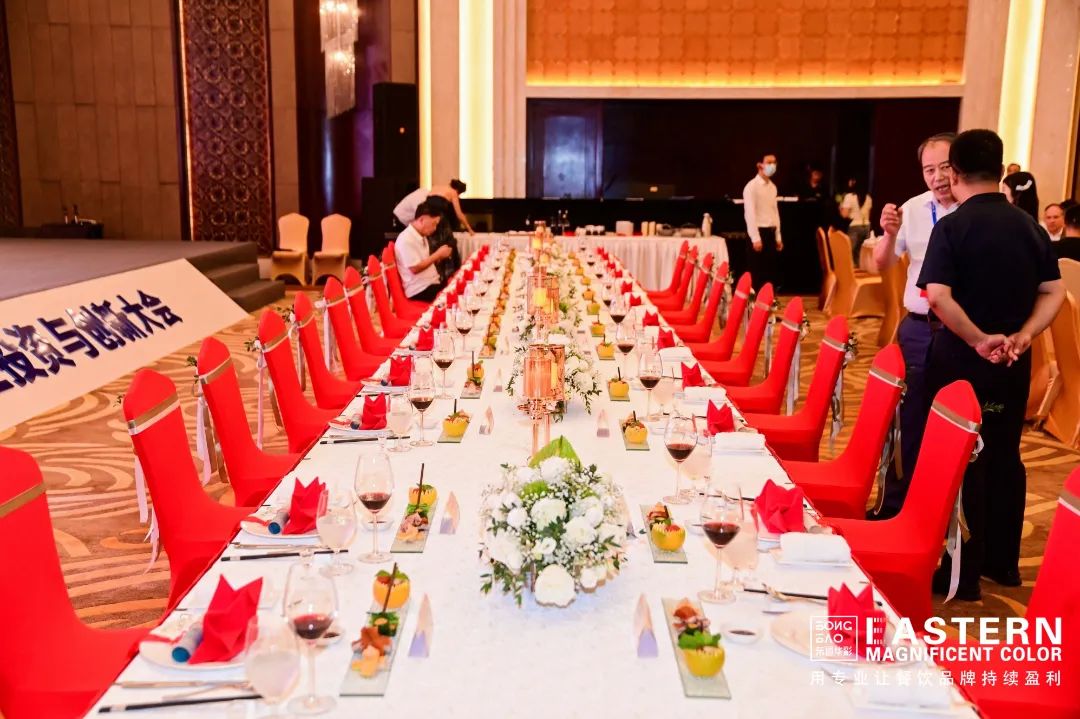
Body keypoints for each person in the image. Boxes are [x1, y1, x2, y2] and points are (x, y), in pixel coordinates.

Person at [918, 129, 1063, 601]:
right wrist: (1025, 334)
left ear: (955, 173)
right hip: (1012, 362)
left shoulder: (952, 226)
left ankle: (960, 572)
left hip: (961, 360)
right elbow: (1054, 290)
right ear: (1001, 171)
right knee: (1003, 453)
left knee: (958, 456)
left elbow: (937, 296)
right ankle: (1003, 564)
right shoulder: (1030, 227)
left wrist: (979, 339)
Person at [871, 132, 958, 518]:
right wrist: (890, 235)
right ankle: (894, 507)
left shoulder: (973, 211)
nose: (937, 177)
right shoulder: (913, 208)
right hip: (920, 327)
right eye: (929, 170)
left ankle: (940, 512)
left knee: (954, 419)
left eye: (945, 167)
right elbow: (882, 262)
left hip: (961, 331)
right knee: (908, 418)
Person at [393, 179, 474, 283]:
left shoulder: (436, 187)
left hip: (429, 218)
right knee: (449, 246)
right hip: (438, 219)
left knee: (433, 248)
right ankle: (450, 277)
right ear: (459, 191)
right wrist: (469, 229)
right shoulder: (453, 192)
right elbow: (459, 214)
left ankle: (439, 276)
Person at [394, 202, 451, 302]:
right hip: (420, 290)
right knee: (456, 295)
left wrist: (439, 257)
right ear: (422, 220)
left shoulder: (421, 235)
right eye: (434, 224)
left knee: (458, 283)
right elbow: (415, 268)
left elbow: (424, 261)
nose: (435, 228)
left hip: (430, 284)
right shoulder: (406, 239)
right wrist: (438, 254)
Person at [742, 153, 783, 289]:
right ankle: (755, 301)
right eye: (769, 162)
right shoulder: (751, 187)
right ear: (760, 165)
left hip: (770, 232)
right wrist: (755, 238)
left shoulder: (773, 187)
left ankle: (769, 299)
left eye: (774, 162)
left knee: (770, 273)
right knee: (757, 273)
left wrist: (778, 236)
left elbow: (775, 213)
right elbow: (750, 214)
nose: (773, 166)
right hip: (758, 233)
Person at [839, 177, 873, 261]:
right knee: (861, 254)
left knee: (850, 253)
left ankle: (850, 269)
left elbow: (844, 215)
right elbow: (869, 215)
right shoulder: (869, 198)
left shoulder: (849, 196)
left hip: (854, 226)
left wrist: (840, 206)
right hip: (866, 226)